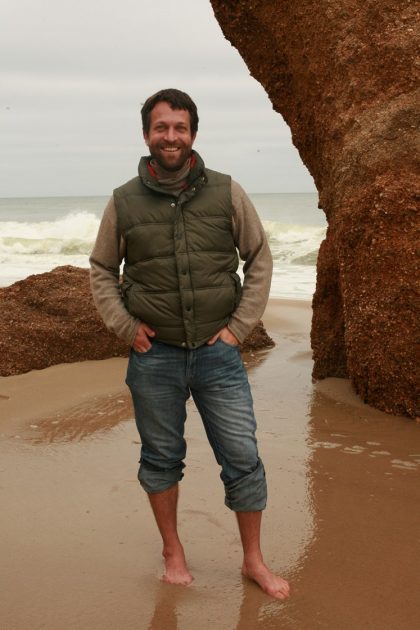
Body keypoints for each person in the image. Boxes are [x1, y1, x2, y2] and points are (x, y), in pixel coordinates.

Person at [90, 88, 290, 600]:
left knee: (242, 456)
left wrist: (239, 328)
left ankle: (253, 561)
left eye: (180, 127)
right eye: (161, 127)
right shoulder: (123, 201)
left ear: (193, 134)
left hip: (217, 353)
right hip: (153, 357)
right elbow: (102, 268)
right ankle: (172, 552)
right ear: (146, 135)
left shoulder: (227, 192)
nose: (171, 136)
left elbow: (259, 257)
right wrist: (125, 326)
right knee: (161, 459)